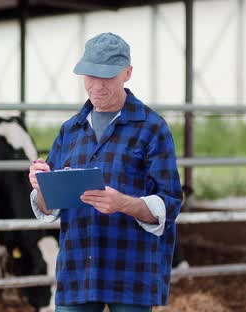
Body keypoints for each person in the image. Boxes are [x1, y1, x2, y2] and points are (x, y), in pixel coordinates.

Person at [28, 32, 182, 312]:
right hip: (77, 269)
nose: (97, 86)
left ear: (127, 73)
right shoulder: (70, 130)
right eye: (90, 75)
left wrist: (125, 204)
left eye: (107, 76)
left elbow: (170, 202)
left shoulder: (152, 128)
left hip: (131, 270)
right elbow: (49, 208)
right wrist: (41, 188)